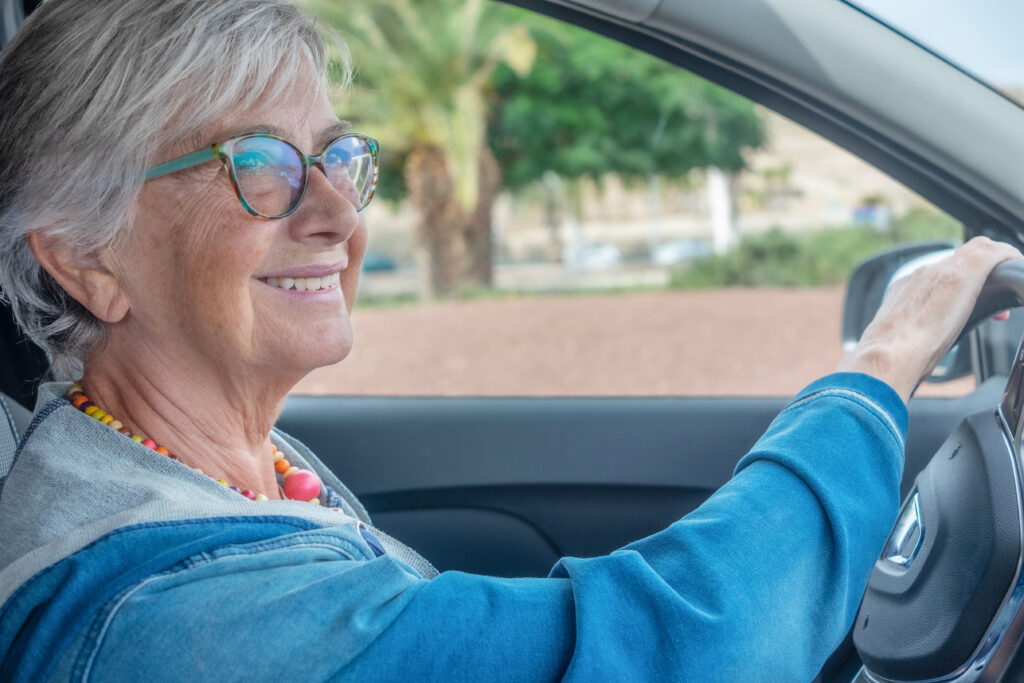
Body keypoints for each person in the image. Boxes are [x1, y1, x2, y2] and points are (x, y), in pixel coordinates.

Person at [0, 1, 1018, 680]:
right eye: (258, 164)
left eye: (337, 157)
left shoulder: (231, 469)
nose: (336, 214)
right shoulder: (172, 610)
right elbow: (672, 650)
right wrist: (879, 367)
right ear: (85, 257)